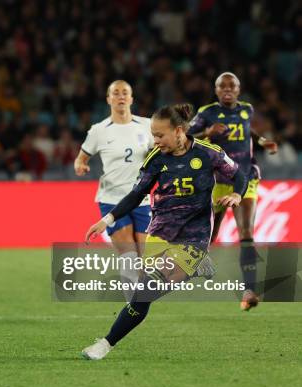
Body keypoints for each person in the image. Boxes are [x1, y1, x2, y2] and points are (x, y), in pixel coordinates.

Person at [81, 104, 247, 360]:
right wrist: (108, 218)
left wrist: (236, 194)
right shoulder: (156, 159)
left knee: (145, 291)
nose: (155, 140)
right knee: (142, 296)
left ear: (179, 131)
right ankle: (198, 267)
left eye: (160, 135)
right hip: (159, 234)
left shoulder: (208, 153)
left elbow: (240, 175)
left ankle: (104, 344)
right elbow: (137, 194)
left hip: (193, 237)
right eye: (153, 135)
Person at [188, 72, 278, 311]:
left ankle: (249, 290)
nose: (227, 89)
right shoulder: (206, 113)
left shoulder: (247, 109)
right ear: (216, 90)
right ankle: (187, 272)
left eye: (232, 85)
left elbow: (249, 133)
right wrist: (206, 133)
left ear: (238, 89)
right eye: (222, 86)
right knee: (210, 235)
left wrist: (263, 142)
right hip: (216, 180)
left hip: (246, 176)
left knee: (246, 232)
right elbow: (185, 137)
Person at [74, 80, 153, 290]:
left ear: (132, 98)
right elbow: (81, 158)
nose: (121, 96)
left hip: (141, 198)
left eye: (125, 93)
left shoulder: (147, 126)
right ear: (109, 99)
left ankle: (137, 300)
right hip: (111, 199)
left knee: (143, 257)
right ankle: (133, 308)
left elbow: (164, 150)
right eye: (116, 93)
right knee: (128, 254)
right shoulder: (99, 130)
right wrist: (80, 166)